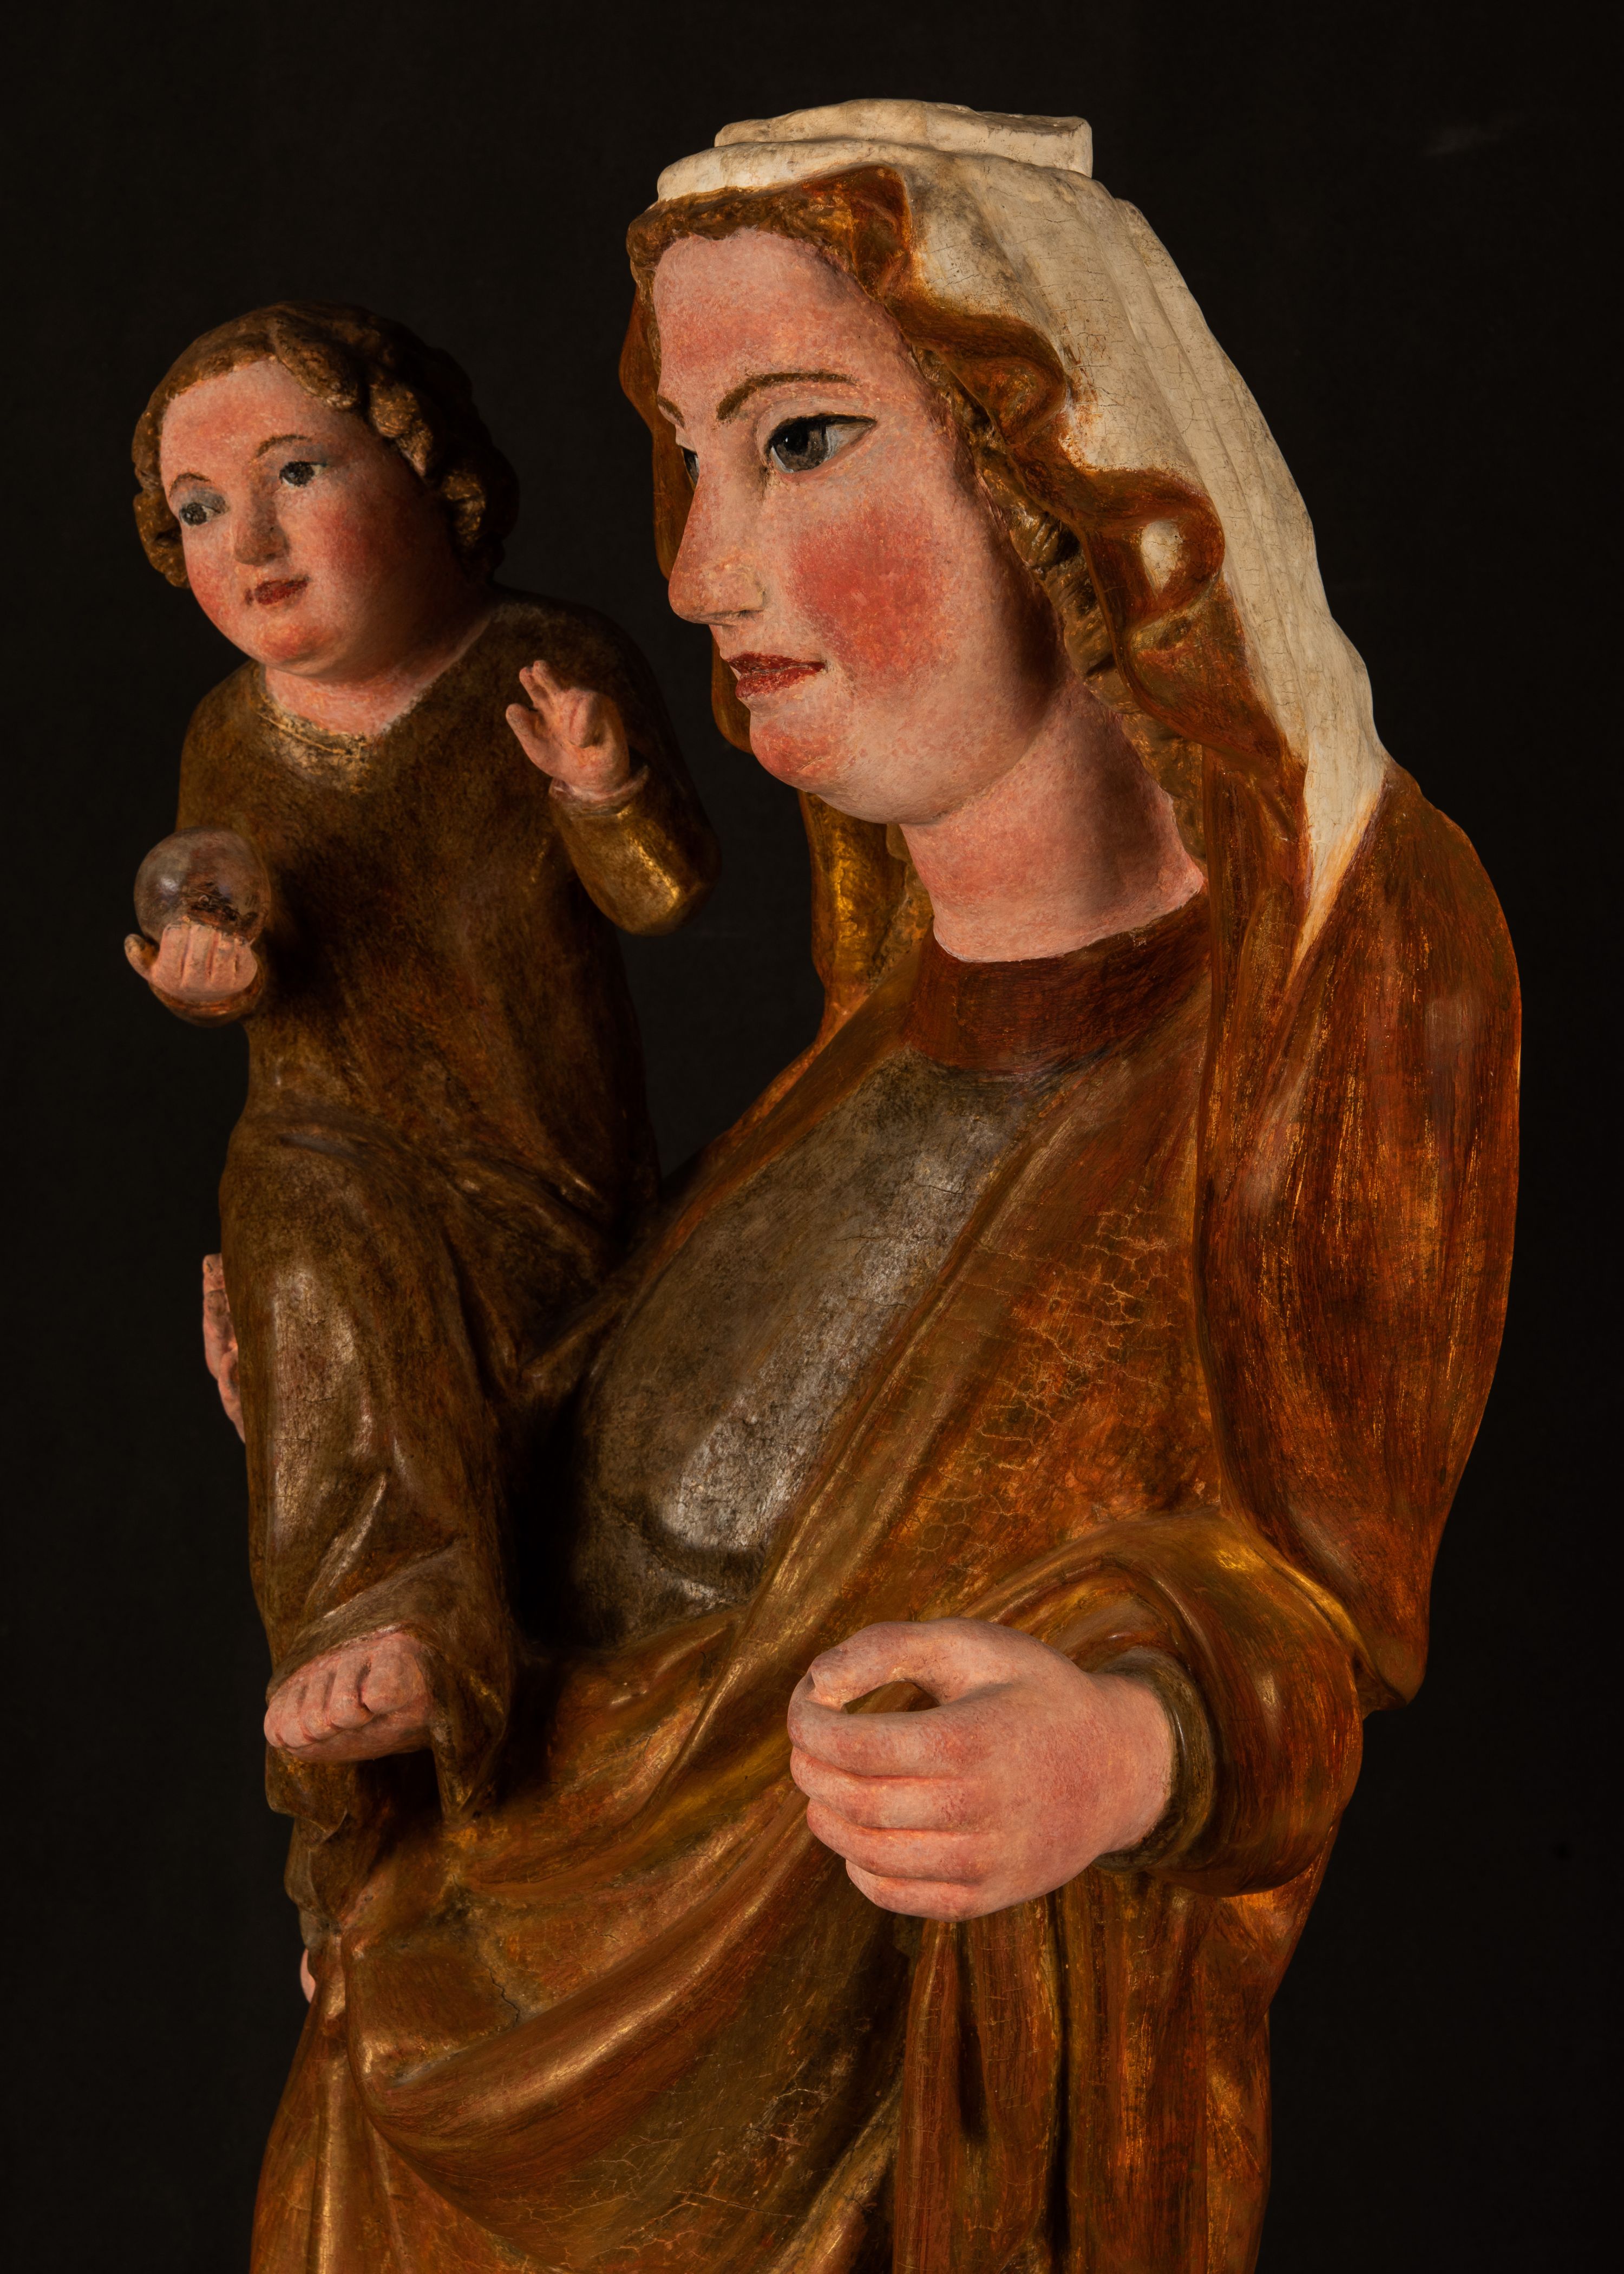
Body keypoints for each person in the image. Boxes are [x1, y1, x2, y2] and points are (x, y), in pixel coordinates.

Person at [249, 109, 1518, 2272]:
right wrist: (391, 1415)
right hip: (449, 2073)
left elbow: (1315, 1592)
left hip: (852, 2134)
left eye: (805, 441)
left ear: (1064, 474)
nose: (698, 567)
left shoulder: (1331, 975)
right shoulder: (883, 1015)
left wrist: (1118, 1750)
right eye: (694, 459)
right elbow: (660, 1484)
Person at [126, 301, 717, 1923]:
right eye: (198, 509)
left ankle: (398, 1705)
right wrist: (209, 983)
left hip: (535, 1185)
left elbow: (668, 894)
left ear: (428, 468)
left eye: (296, 473)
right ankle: (384, 1637)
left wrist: (606, 794)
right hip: (330, 1184)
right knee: (288, 1192)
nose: (249, 543)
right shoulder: (229, 740)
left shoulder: (545, 668)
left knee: (319, 1236)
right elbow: (248, 955)